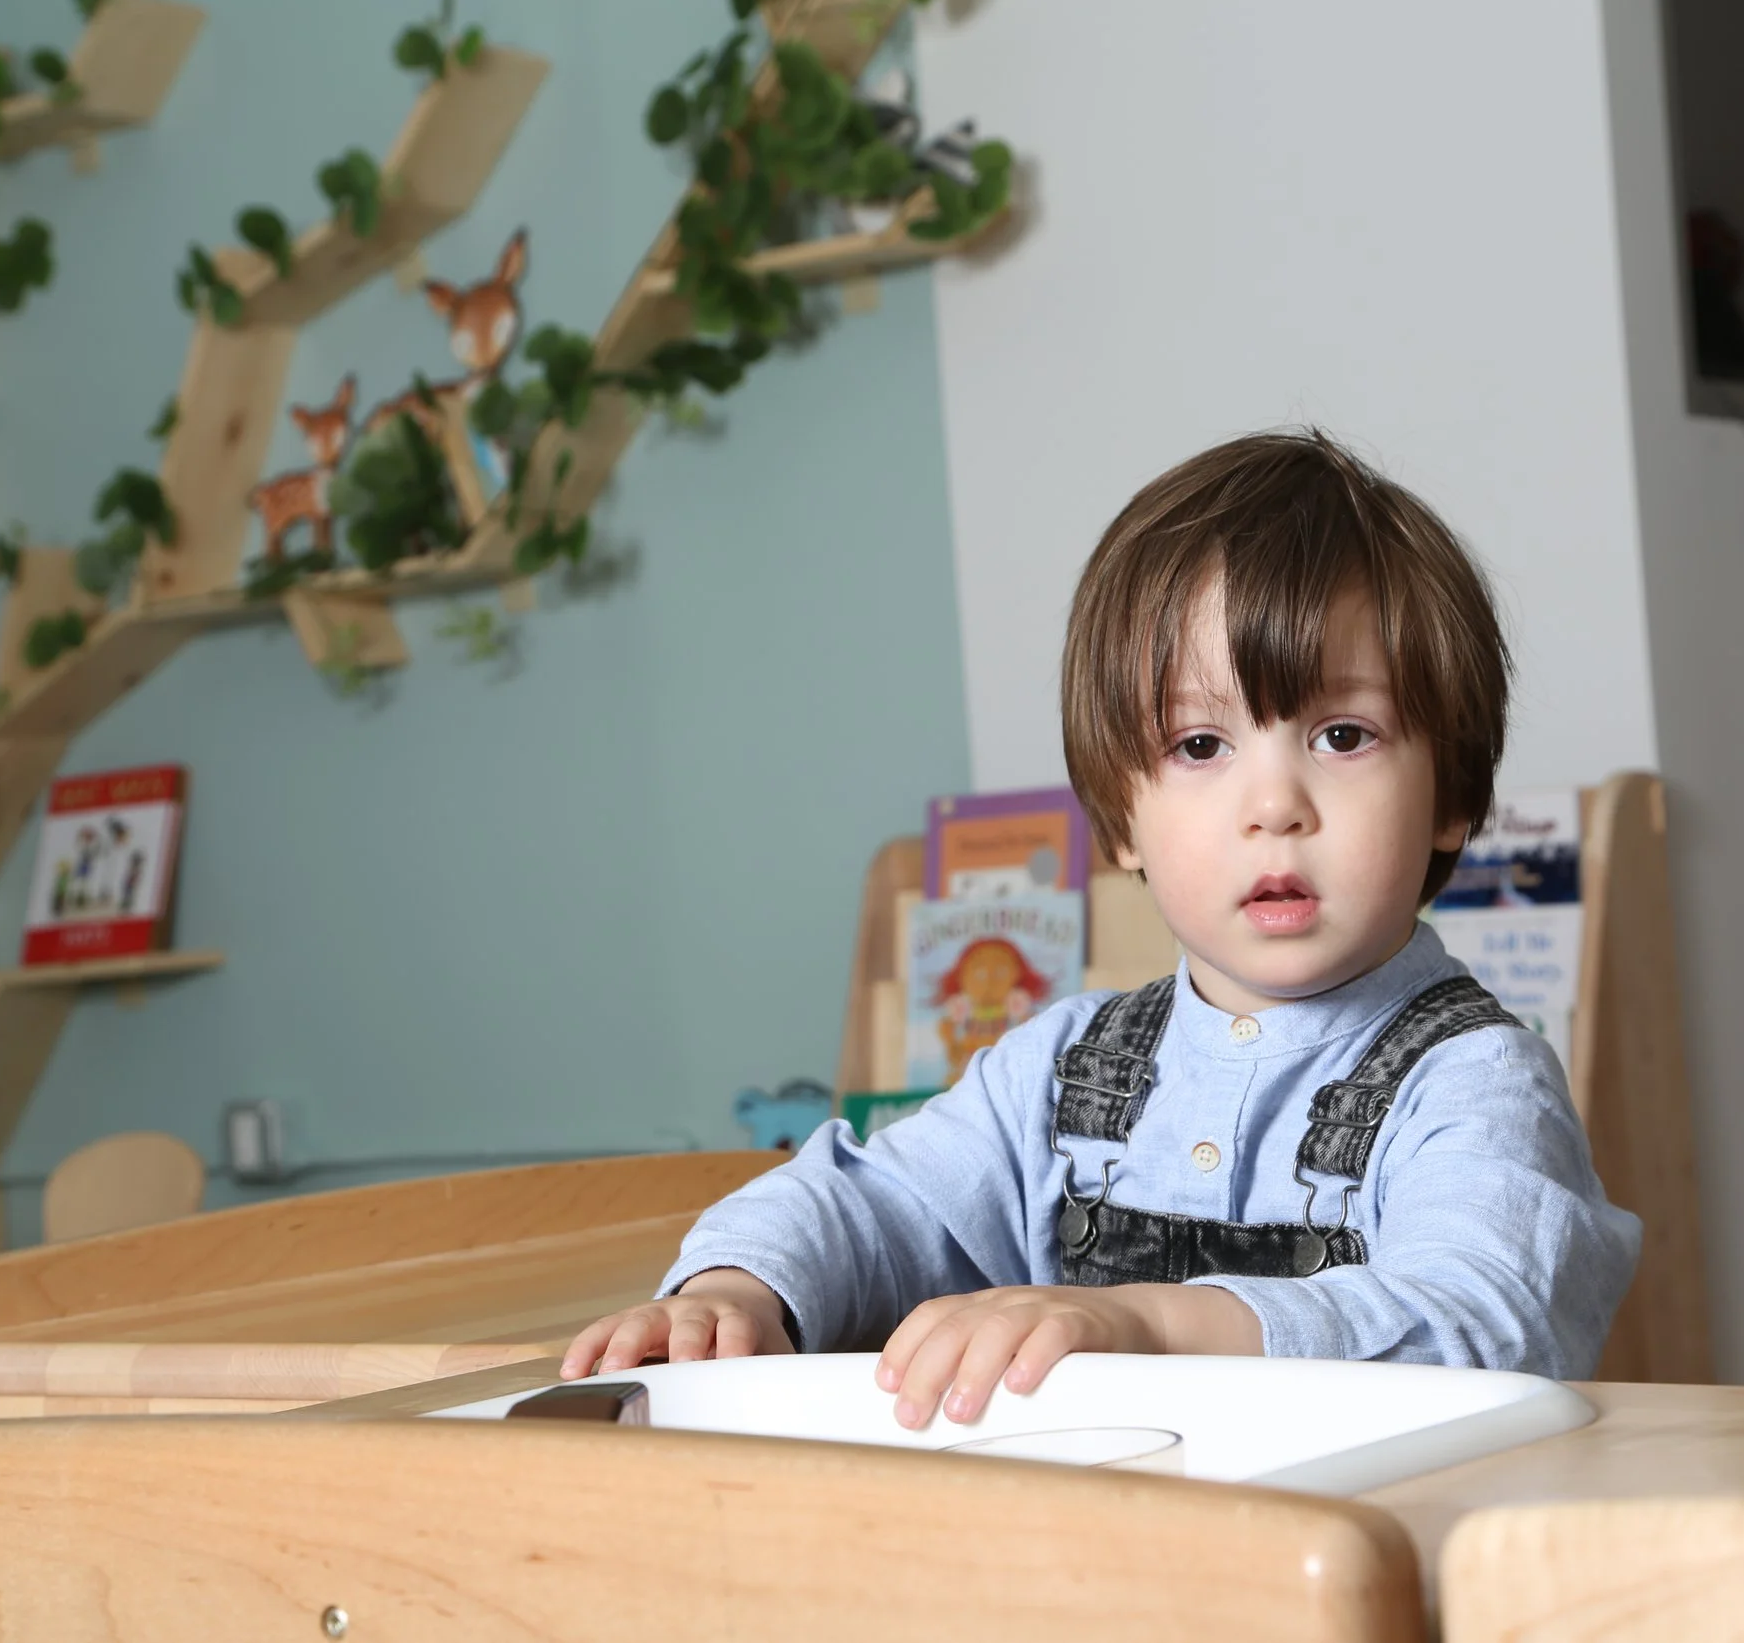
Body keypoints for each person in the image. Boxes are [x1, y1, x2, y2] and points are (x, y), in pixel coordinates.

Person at [560, 429, 1641, 1427]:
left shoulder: (1474, 1082)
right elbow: (876, 1202)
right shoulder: (1061, 1073)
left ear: (1452, 793)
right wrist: (736, 1290)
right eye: (1201, 745)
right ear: (1120, 815)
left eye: (1342, 733)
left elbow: (1485, 1319)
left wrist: (1154, 1325)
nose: (1274, 804)